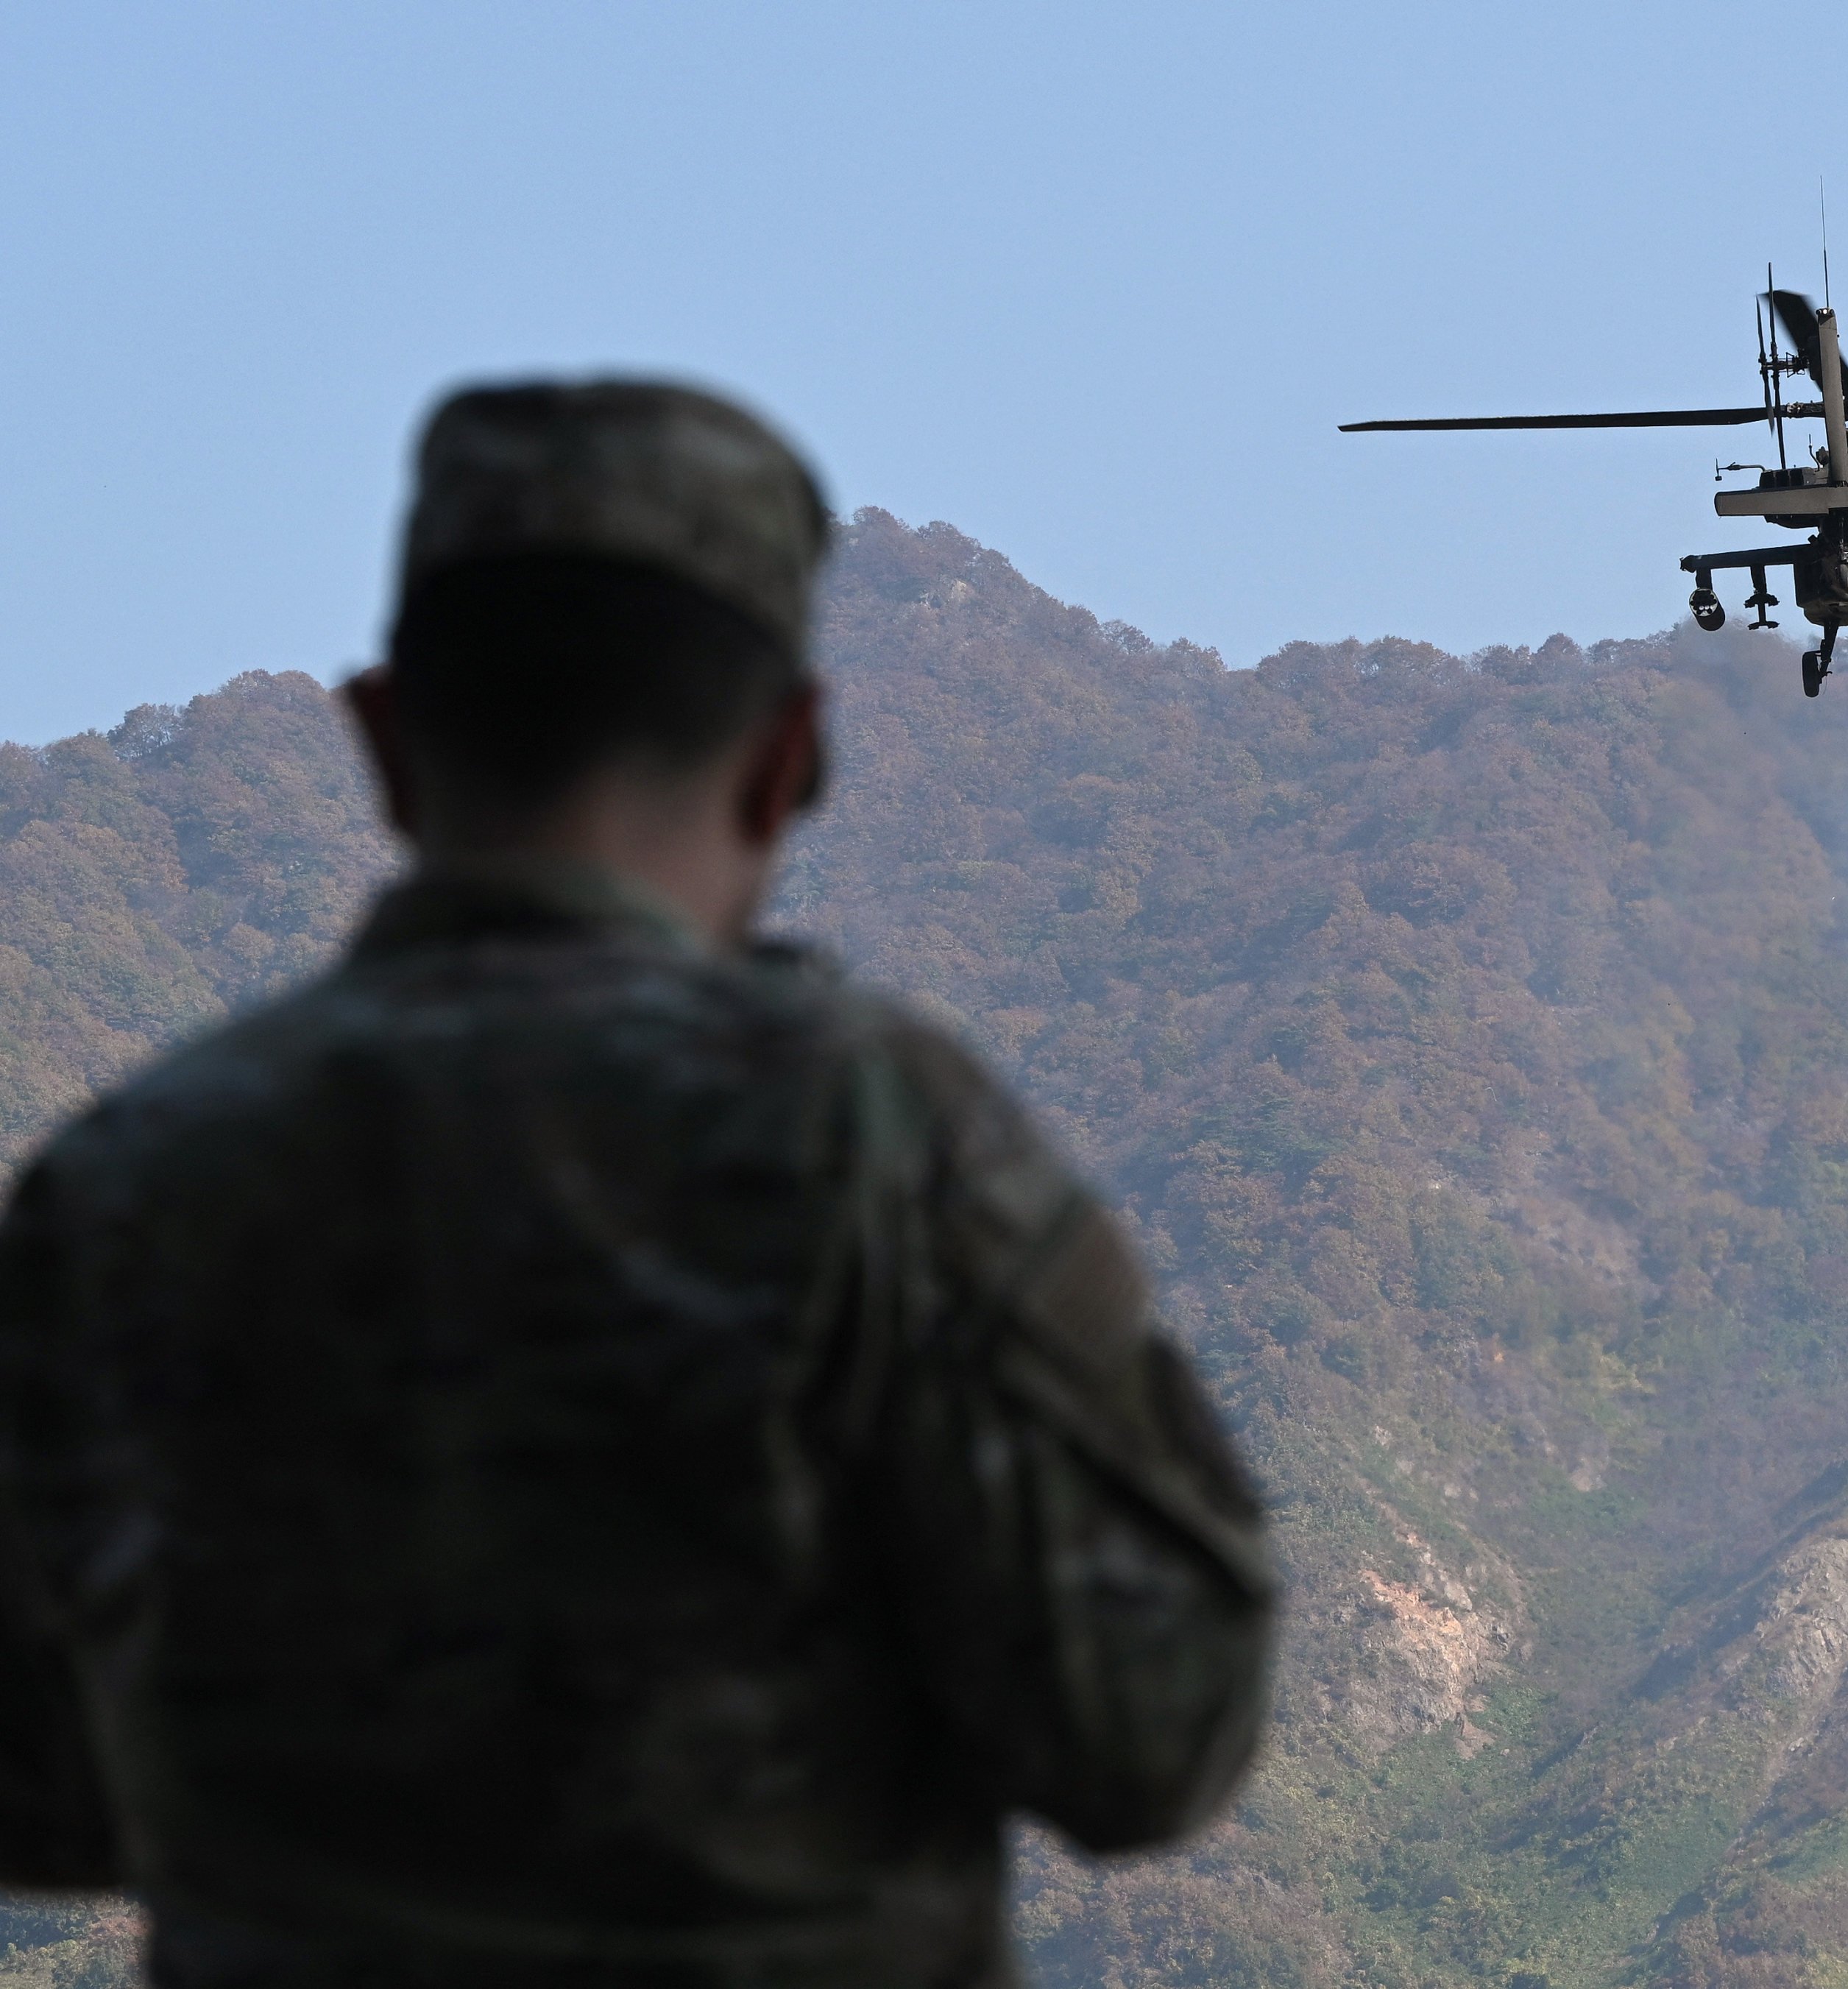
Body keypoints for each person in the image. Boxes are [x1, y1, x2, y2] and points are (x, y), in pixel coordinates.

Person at [0, 381, 1274, 1988]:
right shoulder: (879, 1143)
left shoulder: (126, 1186)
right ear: (786, 759)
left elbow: (39, 1795)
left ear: (386, 740)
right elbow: (1157, 1728)